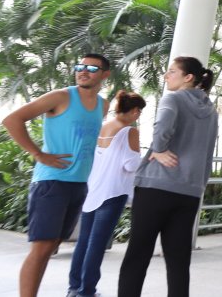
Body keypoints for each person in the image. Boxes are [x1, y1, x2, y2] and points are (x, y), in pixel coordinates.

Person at [3, 53, 111, 297]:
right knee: (41, 248)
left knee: (52, 246)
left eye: (92, 69)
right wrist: (39, 154)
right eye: (79, 66)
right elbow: (12, 119)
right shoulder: (61, 96)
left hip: (78, 184)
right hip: (51, 182)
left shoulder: (103, 105)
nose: (83, 71)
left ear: (105, 74)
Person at [117, 56, 219, 297]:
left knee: (137, 255)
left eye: (172, 71)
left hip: (156, 188)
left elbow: (162, 128)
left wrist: (159, 149)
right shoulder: (211, 110)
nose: (166, 75)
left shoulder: (172, 98)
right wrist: (198, 185)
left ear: (188, 77)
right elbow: (207, 152)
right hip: (189, 192)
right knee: (178, 261)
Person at [68, 90, 146, 297]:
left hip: (93, 190)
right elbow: (130, 165)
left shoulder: (102, 127)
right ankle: (87, 291)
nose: (138, 116)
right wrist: (147, 157)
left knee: (84, 242)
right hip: (113, 193)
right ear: (134, 110)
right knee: (97, 244)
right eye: (139, 111)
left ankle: (74, 287)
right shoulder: (129, 131)